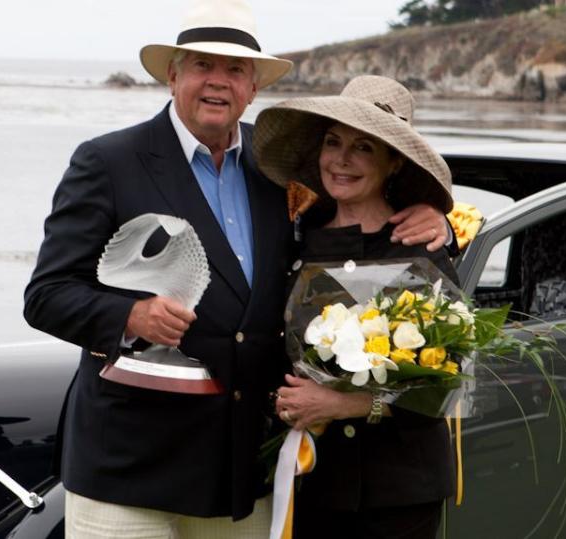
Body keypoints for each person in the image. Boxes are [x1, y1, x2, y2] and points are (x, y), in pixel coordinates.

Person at [23, 0, 452, 536]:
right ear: (173, 75)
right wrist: (130, 316)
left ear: (253, 88)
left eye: (235, 70)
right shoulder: (108, 161)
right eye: (202, 65)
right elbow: (46, 295)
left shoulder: (279, 173)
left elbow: (363, 213)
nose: (217, 82)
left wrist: (439, 220)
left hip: (242, 469)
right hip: (127, 468)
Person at [252, 75, 458, 539]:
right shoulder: (297, 236)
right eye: (333, 141)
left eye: (364, 147)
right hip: (315, 479)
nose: (341, 160)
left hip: (400, 491)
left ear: (394, 164)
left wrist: (344, 404)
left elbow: (448, 382)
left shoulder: (421, 245)